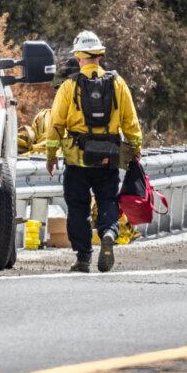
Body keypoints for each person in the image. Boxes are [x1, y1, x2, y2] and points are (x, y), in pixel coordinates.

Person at [43, 32, 142, 273]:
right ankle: (108, 232)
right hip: (109, 156)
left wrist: (51, 154)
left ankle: (83, 257)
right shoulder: (118, 84)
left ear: (79, 58)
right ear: (99, 56)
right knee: (107, 199)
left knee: (78, 206)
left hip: (77, 158)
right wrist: (135, 148)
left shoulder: (69, 86)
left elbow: (55, 123)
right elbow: (130, 121)